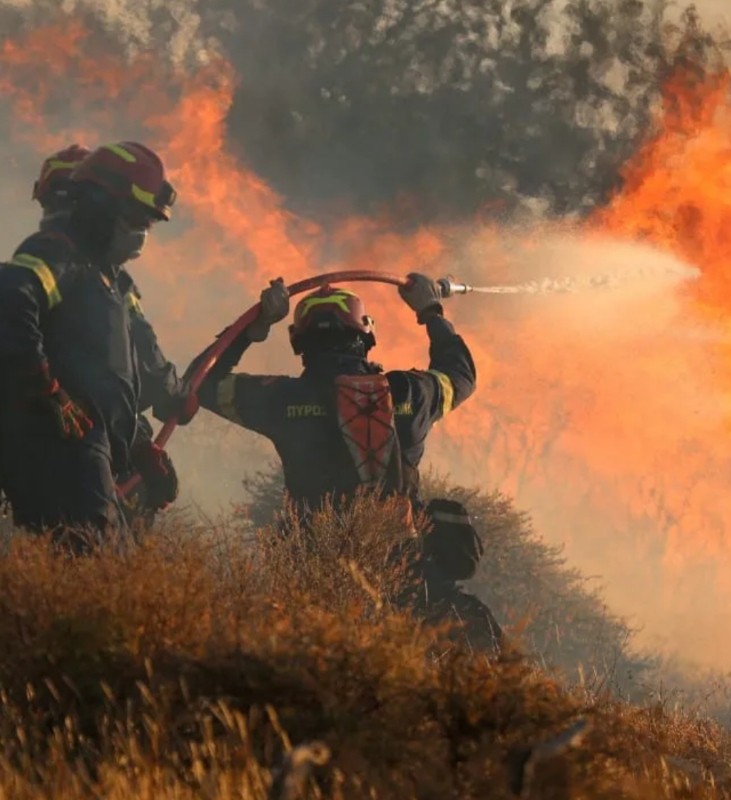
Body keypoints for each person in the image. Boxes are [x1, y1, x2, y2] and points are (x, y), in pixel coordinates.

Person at [190, 275, 501, 653]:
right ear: (366, 336)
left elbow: (198, 383)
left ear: (298, 343)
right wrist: (431, 312)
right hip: (410, 575)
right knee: (484, 656)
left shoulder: (281, 400)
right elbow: (460, 375)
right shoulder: (409, 393)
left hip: (316, 581)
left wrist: (254, 328)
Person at [0, 142, 181, 549]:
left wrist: (136, 445)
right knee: (93, 568)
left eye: (147, 224)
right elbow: (9, 301)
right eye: (135, 219)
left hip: (88, 451)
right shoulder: (56, 252)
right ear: (101, 206)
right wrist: (48, 393)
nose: (141, 234)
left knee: (113, 574)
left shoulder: (103, 276)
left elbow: (103, 382)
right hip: (60, 452)